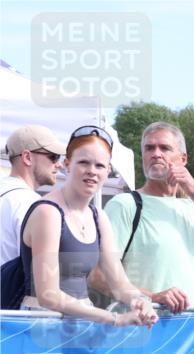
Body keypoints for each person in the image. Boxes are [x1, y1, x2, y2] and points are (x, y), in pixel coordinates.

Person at [90, 122, 194, 313]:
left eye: (164, 148)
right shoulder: (125, 204)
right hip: (142, 330)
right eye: (149, 148)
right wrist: (152, 298)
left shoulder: (192, 208)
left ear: (183, 158)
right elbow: (98, 276)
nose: (156, 153)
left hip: (188, 331)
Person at [19, 125, 156, 327]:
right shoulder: (48, 213)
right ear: (67, 164)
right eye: (83, 162)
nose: (92, 171)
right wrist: (114, 318)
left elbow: (118, 283)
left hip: (81, 324)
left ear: (108, 170)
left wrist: (141, 302)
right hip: (41, 324)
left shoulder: (98, 217)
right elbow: (49, 295)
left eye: (100, 166)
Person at [2, 125, 64, 264]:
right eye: (53, 157)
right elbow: (38, 272)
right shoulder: (30, 204)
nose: (58, 164)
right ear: (27, 157)